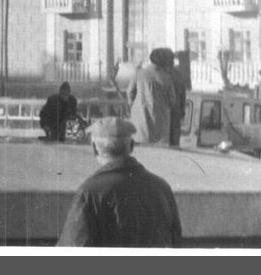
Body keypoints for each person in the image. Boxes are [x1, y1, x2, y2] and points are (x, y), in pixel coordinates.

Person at [57, 117, 182, 247]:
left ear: (94, 148)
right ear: (131, 146)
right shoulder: (162, 187)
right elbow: (176, 241)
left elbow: (73, 247)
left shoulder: (89, 192)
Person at [128, 49, 178, 145]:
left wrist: (134, 106)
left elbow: (130, 93)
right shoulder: (166, 77)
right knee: (159, 149)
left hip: (140, 119)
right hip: (161, 120)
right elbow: (172, 100)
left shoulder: (139, 73)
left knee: (141, 146)